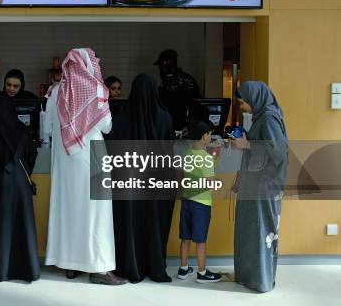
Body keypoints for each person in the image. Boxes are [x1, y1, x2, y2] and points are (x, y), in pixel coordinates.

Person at [44, 48, 126, 285]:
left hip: (65, 161)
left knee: (69, 211)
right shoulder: (97, 91)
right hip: (93, 158)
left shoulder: (55, 91)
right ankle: (100, 269)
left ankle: (71, 265)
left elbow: (47, 129)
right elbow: (108, 126)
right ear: (90, 66)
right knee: (97, 214)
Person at [106, 74, 176, 283]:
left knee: (129, 225)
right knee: (154, 225)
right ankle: (154, 265)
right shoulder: (164, 118)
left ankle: (131, 266)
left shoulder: (120, 119)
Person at [231, 81, 288, 293]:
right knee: (251, 229)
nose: (242, 106)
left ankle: (261, 281)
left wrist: (247, 145)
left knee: (261, 230)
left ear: (255, 98)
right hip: (256, 183)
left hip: (265, 186)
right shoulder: (261, 116)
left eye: (243, 102)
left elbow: (279, 153)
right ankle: (250, 277)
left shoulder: (269, 117)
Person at [0, 93, 40, 282]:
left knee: (1, 224)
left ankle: (0, 270)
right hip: (21, 183)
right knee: (21, 224)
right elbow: (32, 154)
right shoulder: (22, 129)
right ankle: (27, 269)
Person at [178, 120, 222, 283]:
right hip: (201, 204)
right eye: (210, 134)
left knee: (186, 237)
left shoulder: (188, 154)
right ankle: (202, 272)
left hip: (187, 201)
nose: (210, 137)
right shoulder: (206, 158)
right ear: (204, 136)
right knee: (200, 240)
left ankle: (183, 269)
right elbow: (210, 182)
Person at [154, 49, 201, 132]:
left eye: (162, 66)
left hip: (184, 128)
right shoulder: (166, 81)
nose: (161, 69)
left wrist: (190, 126)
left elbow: (197, 105)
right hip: (169, 127)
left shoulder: (187, 81)